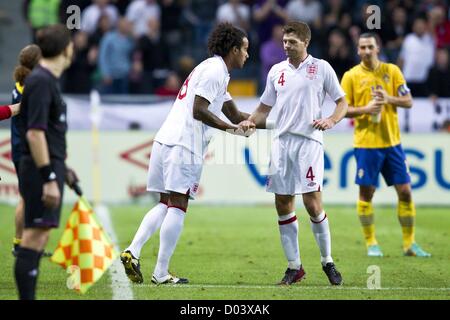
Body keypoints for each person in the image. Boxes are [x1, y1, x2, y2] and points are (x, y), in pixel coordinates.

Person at [120, 22, 252, 285]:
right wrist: (232, 131)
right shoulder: (215, 71)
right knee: (178, 206)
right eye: (245, 49)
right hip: (185, 144)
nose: (248, 55)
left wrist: (273, 120)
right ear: (234, 49)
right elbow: (199, 110)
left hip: (165, 140)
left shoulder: (211, 69)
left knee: (164, 202)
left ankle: (132, 251)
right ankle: (160, 273)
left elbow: (236, 115)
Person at [241, 21, 347, 286]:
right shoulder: (276, 71)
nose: (286, 46)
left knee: (312, 203)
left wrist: (332, 120)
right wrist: (250, 121)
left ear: (305, 42)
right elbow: (264, 108)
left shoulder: (322, 68)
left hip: (309, 143)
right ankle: (294, 267)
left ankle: (328, 261)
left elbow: (342, 102)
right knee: (283, 203)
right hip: (282, 144)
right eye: (285, 41)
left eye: (292, 42)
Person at [340, 32, 431, 258]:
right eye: (362, 47)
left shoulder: (392, 71)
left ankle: (409, 244)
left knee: (406, 192)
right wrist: (366, 109)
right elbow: (341, 110)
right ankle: (371, 243)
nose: (367, 51)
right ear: (358, 50)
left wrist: (388, 99)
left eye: (370, 46)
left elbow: (408, 100)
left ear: (378, 48)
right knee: (367, 193)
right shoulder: (351, 76)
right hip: (366, 144)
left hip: (393, 144)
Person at [14, 24, 75, 300]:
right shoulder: (40, 81)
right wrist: (50, 176)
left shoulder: (47, 80)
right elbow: (35, 133)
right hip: (40, 172)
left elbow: (47, 132)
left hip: (49, 166)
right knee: (33, 238)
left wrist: (63, 167)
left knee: (39, 238)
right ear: (65, 50)